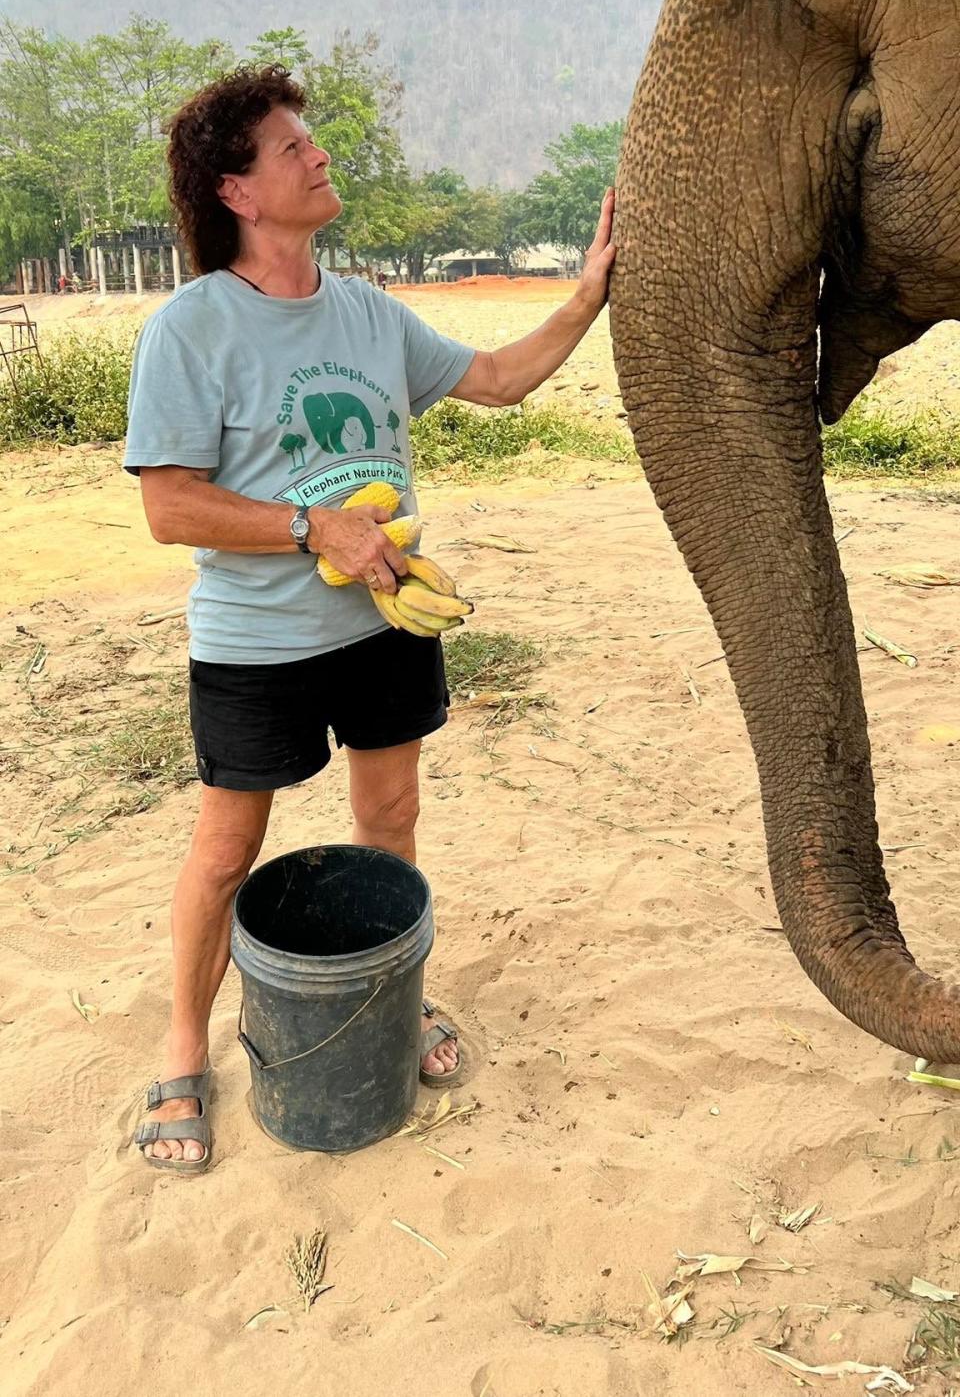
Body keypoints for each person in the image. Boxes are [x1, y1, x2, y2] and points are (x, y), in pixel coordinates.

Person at [125, 63, 616, 1174]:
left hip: (387, 623)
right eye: (292, 147)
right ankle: (181, 1052)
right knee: (222, 852)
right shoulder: (193, 330)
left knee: (388, 820)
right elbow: (168, 505)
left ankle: (398, 999)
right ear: (238, 193)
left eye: (312, 141)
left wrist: (588, 293)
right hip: (259, 642)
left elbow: (496, 378)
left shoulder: (366, 313)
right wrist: (317, 530)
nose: (318, 155)